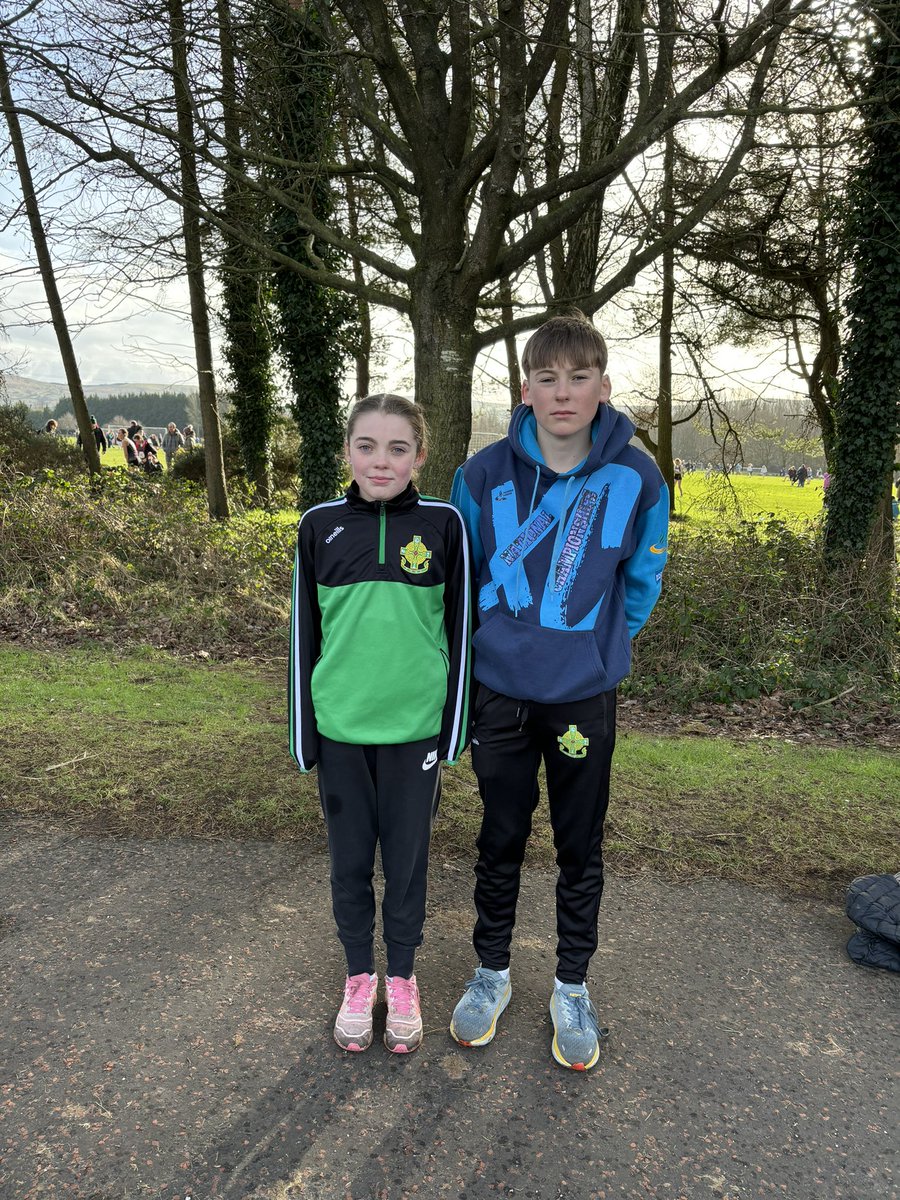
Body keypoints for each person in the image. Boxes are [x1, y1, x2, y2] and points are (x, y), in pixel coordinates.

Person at [448, 312, 669, 1072]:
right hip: (500, 693)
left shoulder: (638, 478)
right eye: (548, 378)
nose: (564, 392)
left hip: (582, 696)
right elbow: (463, 577)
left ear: (604, 387)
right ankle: (492, 973)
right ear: (526, 389)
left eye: (579, 378)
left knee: (579, 846)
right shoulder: (479, 475)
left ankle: (571, 985)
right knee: (500, 838)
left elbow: (641, 583)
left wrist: (600, 646)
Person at [289, 393, 472, 1056]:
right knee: (348, 865)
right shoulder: (319, 525)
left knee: (406, 864)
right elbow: (303, 638)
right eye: (367, 445)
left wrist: (452, 734)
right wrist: (303, 734)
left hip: (416, 734)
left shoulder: (447, 526)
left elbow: (462, 635)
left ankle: (403, 975)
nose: (381, 460)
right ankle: (358, 977)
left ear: (420, 456)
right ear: (347, 452)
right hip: (341, 731)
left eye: (398, 448)